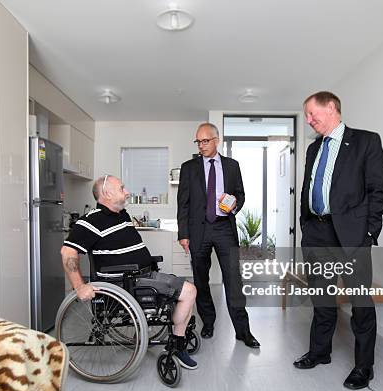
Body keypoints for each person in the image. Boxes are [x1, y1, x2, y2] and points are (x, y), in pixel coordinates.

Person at [294, 91, 383, 390]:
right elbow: (309, 188)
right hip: (317, 232)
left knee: (361, 302)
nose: (309, 120)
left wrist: (369, 234)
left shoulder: (366, 141)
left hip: (351, 235)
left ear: (331, 107)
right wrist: (305, 225)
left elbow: (379, 191)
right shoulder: (313, 149)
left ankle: (364, 367)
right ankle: (321, 352)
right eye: (307, 116)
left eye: (311, 114)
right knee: (321, 297)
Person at [60, 174, 199, 369]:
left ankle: (175, 333)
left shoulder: (122, 215)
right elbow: (67, 252)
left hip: (141, 277)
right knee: (190, 291)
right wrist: (79, 286)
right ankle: (177, 343)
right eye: (122, 188)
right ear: (107, 193)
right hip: (125, 283)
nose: (127, 192)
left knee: (185, 295)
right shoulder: (89, 222)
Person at [177, 122, 259, 348]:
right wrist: (183, 233)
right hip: (198, 230)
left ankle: (243, 331)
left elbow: (240, 195)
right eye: (198, 141)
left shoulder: (232, 166)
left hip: (224, 228)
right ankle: (209, 322)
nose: (201, 145)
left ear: (216, 140)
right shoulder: (189, 167)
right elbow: (182, 203)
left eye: (205, 141)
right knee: (201, 280)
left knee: (234, 281)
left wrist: (232, 206)